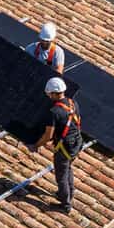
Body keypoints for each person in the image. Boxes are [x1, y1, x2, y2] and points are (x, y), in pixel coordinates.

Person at [33, 77, 83, 213]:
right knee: (67, 168)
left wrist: (36, 145)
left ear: (54, 93)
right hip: (77, 143)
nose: (48, 96)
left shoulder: (54, 112)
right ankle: (69, 193)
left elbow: (48, 135)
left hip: (65, 147)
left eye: (49, 94)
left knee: (61, 175)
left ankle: (65, 205)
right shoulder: (73, 103)